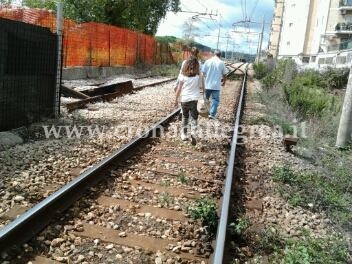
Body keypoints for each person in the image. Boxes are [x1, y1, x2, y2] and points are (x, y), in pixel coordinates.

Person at [174, 49, 203, 145]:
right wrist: (204, 95)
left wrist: (176, 99)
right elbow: (202, 86)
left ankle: (183, 134)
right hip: (194, 100)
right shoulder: (197, 77)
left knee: (185, 117)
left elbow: (178, 88)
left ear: (185, 66)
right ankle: (193, 132)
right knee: (194, 117)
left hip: (184, 100)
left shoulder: (183, 76)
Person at [202, 50, 228, 120]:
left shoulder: (207, 61)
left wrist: (205, 78)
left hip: (207, 84)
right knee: (215, 100)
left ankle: (204, 112)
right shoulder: (221, 63)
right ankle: (212, 114)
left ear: (214, 54)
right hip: (216, 85)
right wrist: (224, 82)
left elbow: (203, 72)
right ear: (220, 55)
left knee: (205, 99)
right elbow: (225, 74)